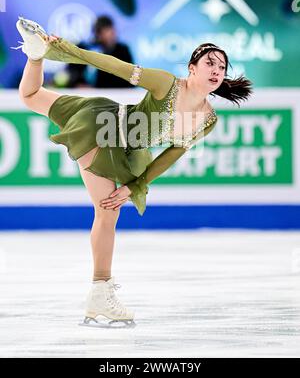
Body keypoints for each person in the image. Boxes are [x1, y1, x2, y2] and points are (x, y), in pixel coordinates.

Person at [14, 17, 253, 328]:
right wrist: (65, 51)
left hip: (125, 144)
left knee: (30, 96)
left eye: (222, 68)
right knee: (106, 212)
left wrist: (135, 185)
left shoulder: (208, 120)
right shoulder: (166, 83)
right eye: (210, 63)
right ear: (192, 67)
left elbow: (172, 154)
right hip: (102, 127)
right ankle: (101, 290)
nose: (217, 71)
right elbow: (115, 65)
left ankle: (33, 56)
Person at [65, 15, 135, 88]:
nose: (112, 35)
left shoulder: (122, 50)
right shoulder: (86, 48)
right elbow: (73, 73)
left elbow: (130, 78)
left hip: (116, 93)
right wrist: (79, 84)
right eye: (99, 32)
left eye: (111, 31)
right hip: (90, 94)